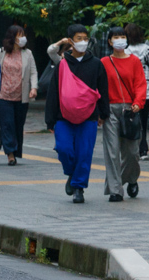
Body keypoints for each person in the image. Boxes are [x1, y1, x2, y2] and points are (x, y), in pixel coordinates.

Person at [44, 24, 110, 204]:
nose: (83, 42)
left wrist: (103, 113)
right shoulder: (62, 65)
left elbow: (103, 89)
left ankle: (79, 188)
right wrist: (50, 120)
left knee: (84, 152)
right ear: (71, 41)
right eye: (79, 38)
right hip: (64, 117)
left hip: (88, 116)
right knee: (64, 149)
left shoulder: (96, 64)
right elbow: (53, 92)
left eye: (85, 38)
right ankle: (72, 173)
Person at [101, 26, 146, 203]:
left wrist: (138, 103)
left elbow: (140, 84)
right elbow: (100, 86)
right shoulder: (104, 62)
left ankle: (132, 178)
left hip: (130, 110)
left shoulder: (134, 61)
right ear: (110, 41)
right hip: (110, 109)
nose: (120, 39)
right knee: (112, 151)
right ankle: (115, 190)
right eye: (116, 37)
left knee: (133, 152)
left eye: (122, 36)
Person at [0, 25, 36, 166]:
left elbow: (33, 72)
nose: (22, 38)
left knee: (18, 125)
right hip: (3, 95)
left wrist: (34, 88)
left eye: (23, 34)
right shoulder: (0, 53)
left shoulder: (28, 54)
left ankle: (16, 150)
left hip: (21, 96)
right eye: (19, 35)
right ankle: (10, 154)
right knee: (7, 125)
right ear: (12, 37)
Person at [125, 25, 149, 160]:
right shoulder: (148, 50)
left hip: (130, 91)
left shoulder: (125, 51)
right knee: (143, 120)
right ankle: (143, 148)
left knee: (132, 120)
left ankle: (136, 147)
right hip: (147, 90)